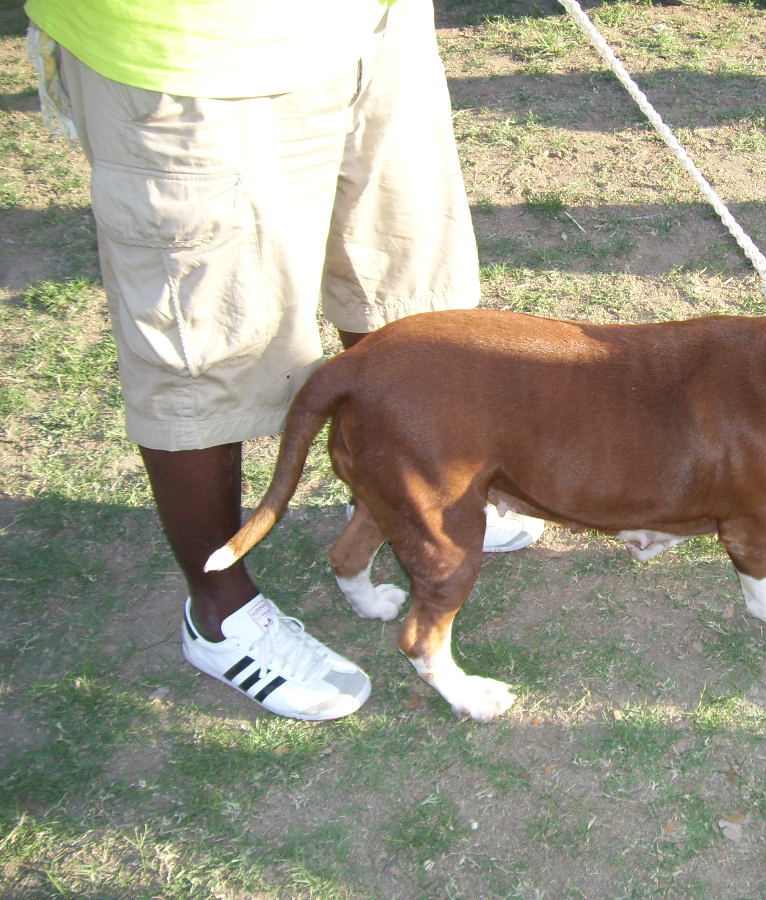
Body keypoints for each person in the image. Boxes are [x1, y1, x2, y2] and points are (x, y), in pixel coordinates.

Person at [24, 0, 543, 722]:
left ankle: (402, 501)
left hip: (376, 25)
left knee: (406, 295)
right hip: (192, 50)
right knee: (204, 346)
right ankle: (220, 613)